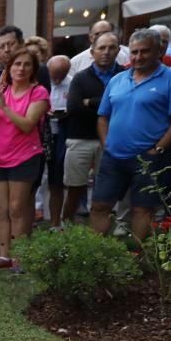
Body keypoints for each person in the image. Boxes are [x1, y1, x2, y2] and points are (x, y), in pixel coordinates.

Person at [91, 29, 171, 241]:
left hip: (148, 158)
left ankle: (136, 257)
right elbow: (102, 117)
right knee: (100, 205)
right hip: (114, 156)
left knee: (142, 208)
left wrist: (159, 148)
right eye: (134, 52)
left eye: (144, 51)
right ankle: (96, 252)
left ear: (160, 50)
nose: (138, 57)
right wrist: (106, 144)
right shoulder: (117, 79)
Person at [0, 48, 50, 271]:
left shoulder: (38, 93)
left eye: (26, 65)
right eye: (17, 64)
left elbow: (27, 124)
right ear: (9, 68)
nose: (21, 69)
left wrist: (4, 107)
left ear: (33, 69)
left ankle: (19, 257)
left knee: (17, 208)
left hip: (25, 156)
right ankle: (3, 256)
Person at [64, 32, 124, 223]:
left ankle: (98, 226)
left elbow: (125, 106)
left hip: (114, 139)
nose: (106, 52)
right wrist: (107, 107)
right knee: (75, 187)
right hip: (81, 138)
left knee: (105, 188)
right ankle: (66, 223)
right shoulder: (81, 78)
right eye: (102, 48)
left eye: (111, 47)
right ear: (92, 51)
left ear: (118, 50)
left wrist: (91, 102)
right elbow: (73, 108)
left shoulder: (125, 75)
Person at [44, 55, 72, 229]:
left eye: (60, 75)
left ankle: (56, 222)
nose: (56, 79)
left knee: (57, 181)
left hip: (62, 133)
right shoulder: (41, 82)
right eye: (53, 75)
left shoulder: (73, 83)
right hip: (42, 133)